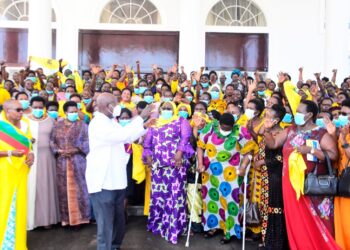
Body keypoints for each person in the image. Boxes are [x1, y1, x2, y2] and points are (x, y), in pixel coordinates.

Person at [264, 100, 339, 249]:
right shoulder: (290, 130)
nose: (295, 114)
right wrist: (267, 130)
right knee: (296, 222)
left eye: (299, 111)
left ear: (310, 114)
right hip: (290, 185)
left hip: (311, 187)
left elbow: (333, 155)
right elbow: (273, 144)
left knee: (315, 221)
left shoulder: (320, 132)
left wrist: (311, 150)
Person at [86, 93, 154, 250]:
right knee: (105, 224)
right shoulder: (97, 123)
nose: (118, 106)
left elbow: (127, 137)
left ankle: (115, 246)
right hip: (103, 182)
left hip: (117, 180)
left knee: (119, 222)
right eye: (115, 103)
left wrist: (144, 126)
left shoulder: (112, 122)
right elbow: (121, 135)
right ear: (108, 106)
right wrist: (139, 118)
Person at [197, 113, 254, 244]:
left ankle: (229, 231)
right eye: (223, 127)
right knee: (212, 199)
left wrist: (243, 167)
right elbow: (200, 146)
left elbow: (249, 150)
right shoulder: (210, 128)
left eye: (228, 128)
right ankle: (213, 226)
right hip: (211, 172)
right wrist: (200, 164)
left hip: (232, 172)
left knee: (230, 202)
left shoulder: (240, 131)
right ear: (219, 124)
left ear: (233, 125)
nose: (225, 130)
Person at [142, 101, 194, 244]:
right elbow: (147, 143)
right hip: (158, 167)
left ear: (174, 109)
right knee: (159, 197)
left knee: (175, 197)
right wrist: (148, 155)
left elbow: (185, 138)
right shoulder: (155, 122)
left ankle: (174, 228)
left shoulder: (180, 121)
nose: (166, 110)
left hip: (175, 166)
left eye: (169, 108)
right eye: (164, 108)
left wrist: (179, 154)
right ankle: (159, 225)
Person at [50, 101, 90, 227]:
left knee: (80, 189)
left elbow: (88, 141)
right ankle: (67, 219)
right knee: (64, 190)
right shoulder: (57, 125)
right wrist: (59, 150)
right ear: (65, 112)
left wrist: (76, 149)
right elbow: (51, 141)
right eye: (71, 111)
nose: (74, 114)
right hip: (62, 161)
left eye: (75, 111)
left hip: (78, 161)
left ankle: (81, 218)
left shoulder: (83, 125)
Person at [0, 100, 34, 249]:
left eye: (22, 109)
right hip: (4, 172)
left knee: (19, 206)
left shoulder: (25, 124)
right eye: (18, 110)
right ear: (7, 111)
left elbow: (29, 145)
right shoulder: (1, 126)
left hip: (21, 172)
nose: (22, 112)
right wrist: (9, 153)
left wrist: (31, 155)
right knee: (6, 205)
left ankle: (18, 244)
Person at [256, 104, 288, 249]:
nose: (265, 118)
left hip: (275, 177)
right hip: (264, 175)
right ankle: (266, 238)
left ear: (276, 120)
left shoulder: (281, 134)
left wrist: (263, 161)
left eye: (268, 116)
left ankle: (275, 242)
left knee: (274, 208)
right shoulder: (267, 132)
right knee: (264, 207)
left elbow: (282, 158)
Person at [27, 96, 59, 230]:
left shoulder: (51, 121)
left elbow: (57, 138)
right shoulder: (24, 121)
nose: (38, 110)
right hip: (29, 158)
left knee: (47, 188)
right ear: (30, 107)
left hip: (47, 158)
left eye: (41, 107)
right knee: (31, 188)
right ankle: (31, 220)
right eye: (35, 107)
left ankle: (47, 220)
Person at [334, 99, 350, 250]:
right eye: (340, 114)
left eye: (345, 114)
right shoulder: (342, 132)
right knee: (341, 227)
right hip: (342, 185)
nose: (341, 116)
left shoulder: (344, 135)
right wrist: (335, 135)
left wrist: (344, 140)